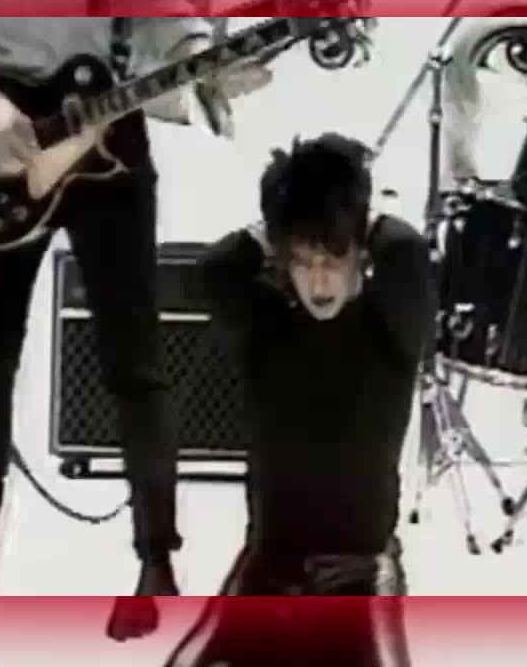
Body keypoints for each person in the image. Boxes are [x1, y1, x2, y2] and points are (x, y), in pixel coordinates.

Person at [0, 0, 272, 641]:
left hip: (109, 126)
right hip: (2, 135)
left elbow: (161, 13)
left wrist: (204, 62)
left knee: (136, 363)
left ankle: (156, 567)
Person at [163, 133, 431, 666]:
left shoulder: (390, 329)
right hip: (269, 567)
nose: (320, 279)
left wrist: (354, 214)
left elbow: (405, 250)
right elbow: (216, 267)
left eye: (334, 257)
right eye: (304, 261)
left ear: (359, 253)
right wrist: (283, 218)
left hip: (359, 575)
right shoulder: (266, 327)